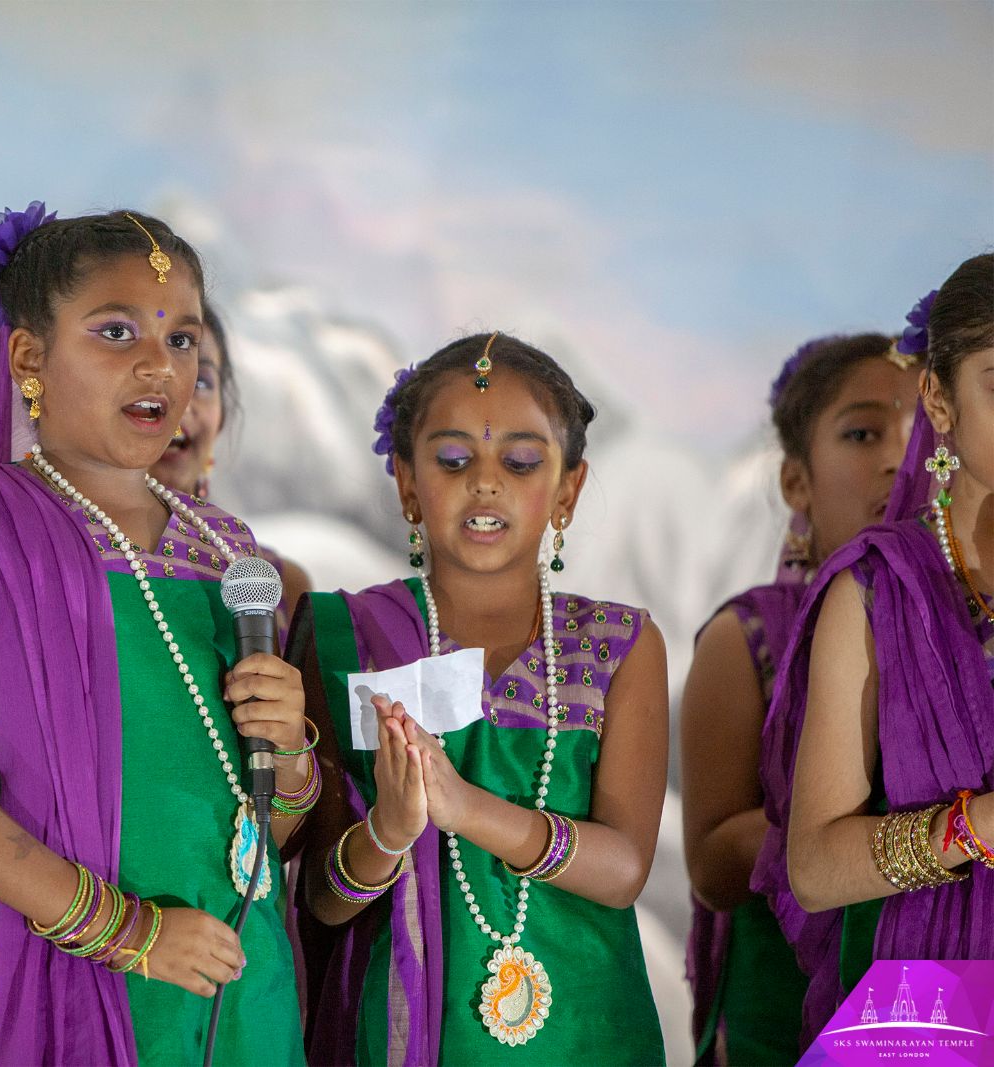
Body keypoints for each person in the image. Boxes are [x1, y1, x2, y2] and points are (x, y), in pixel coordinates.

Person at [0, 204, 314, 1065]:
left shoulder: (229, 554)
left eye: (181, 340)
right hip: (62, 969)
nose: (158, 364)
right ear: (30, 358)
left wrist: (289, 756)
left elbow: (264, 831)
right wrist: (129, 933)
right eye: (116, 331)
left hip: (236, 981)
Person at [290, 333, 668, 1064]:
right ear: (405, 482)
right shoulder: (348, 634)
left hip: (588, 1034)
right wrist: (390, 833)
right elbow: (323, 897)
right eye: (454, 459)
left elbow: (623, 870)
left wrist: (465, 811)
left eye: (520, 461)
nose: (485, 482)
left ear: (568, 490)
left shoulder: (619, 644)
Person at [761, 255, 993, 1034]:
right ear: (939, 396)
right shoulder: (872, 589)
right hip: (930, 1009)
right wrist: (980, 826)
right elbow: (816, 869)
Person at [681, 333, 917, 1064]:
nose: (896, 457)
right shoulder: (748, 637)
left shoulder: (976, 636)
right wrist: (854, 831)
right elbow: (714, 864)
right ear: (795, 482)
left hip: (935, 1006)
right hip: (777, 1023)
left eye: (925, 432)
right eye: (862, 432)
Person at [150, 304, 312, 624]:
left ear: (222, 416)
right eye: (156, 380)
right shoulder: (64, 561)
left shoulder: (281, 586)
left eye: (201, 383)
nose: (181, 404)